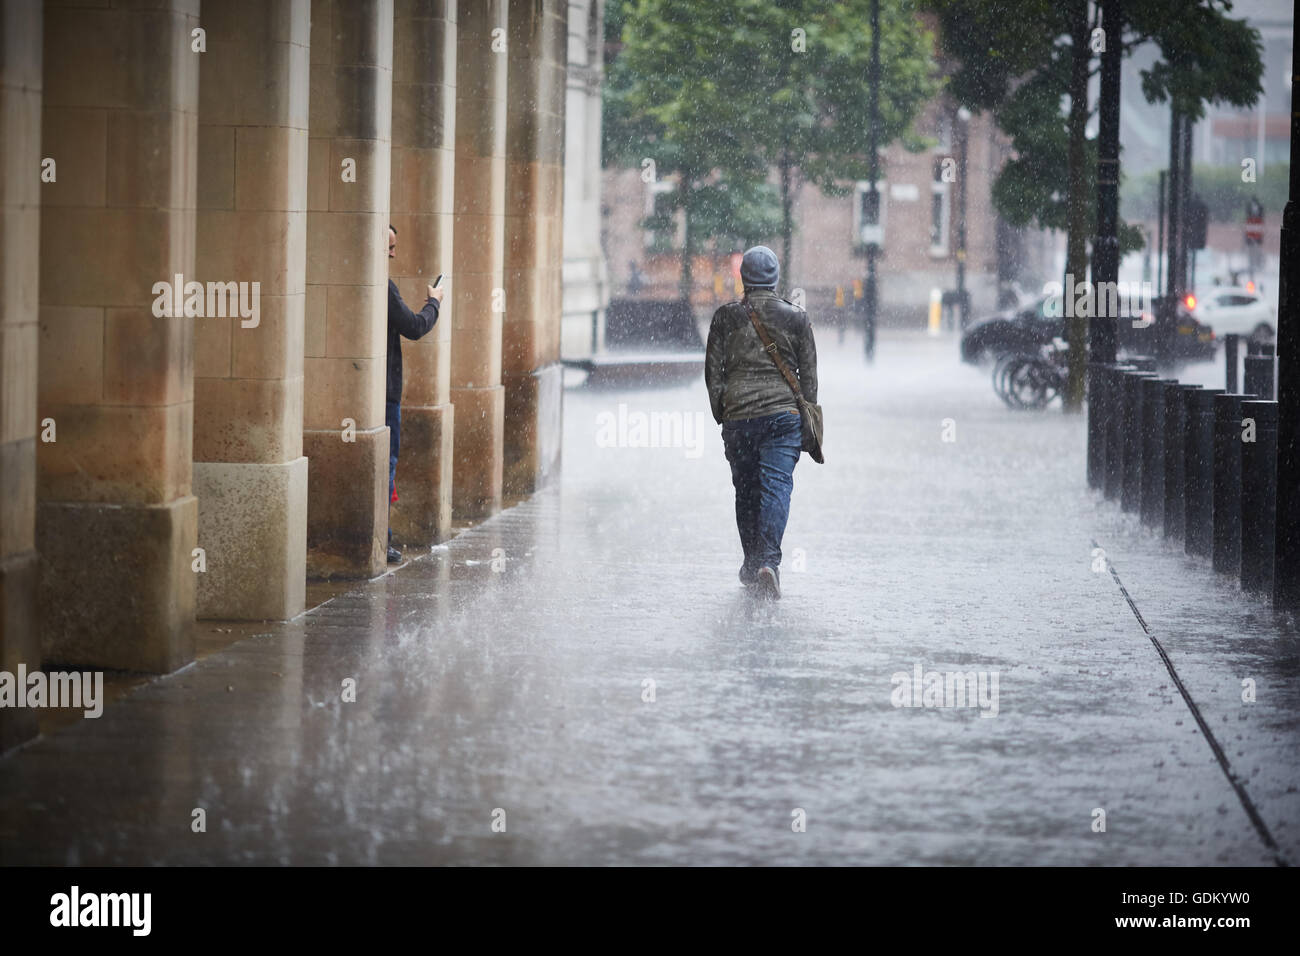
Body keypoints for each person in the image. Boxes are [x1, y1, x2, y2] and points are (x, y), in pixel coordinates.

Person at [705, 245, 818, 600]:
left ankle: (752, 560)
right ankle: (769, 561)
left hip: (740, 418)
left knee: (747, 489)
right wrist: (806, 414)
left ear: (744, 277)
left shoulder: (725, 318)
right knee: (776, 486)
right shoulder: (797, 318)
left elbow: (713, 373)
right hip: (783, 417)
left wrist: (723, 410)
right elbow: (809, 378)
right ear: (775, 278)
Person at [386, 225, 443, 563]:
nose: (393, 254)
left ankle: (382, 537)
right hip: (386, 395)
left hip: (382, 391)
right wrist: (433, 304)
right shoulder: (384, 288)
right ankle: (382, 538)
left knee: (387, 467)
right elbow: (415, 327)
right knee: (387, 467)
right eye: (389, 247)